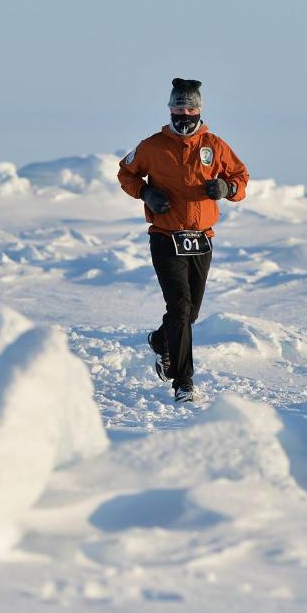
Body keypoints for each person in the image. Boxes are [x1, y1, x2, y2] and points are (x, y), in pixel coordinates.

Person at [117, 78, 249, 403]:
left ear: (199, 111)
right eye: (178, 109)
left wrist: (227, 189)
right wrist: (146, 192)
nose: (184, 115)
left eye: (190, 109)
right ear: (170, 110)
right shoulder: (152, 146)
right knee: (178, 307)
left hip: (201, 239)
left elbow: (240, 177)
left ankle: (162, 340)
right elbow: (126, 173)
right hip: (166, 237)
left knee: (189, 314)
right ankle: (183, 381)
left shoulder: (214, 146)